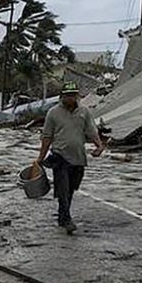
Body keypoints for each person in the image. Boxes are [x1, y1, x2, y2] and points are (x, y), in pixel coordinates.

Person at [35, 82, 105, 234]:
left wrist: (99, 146)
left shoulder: (84, 112)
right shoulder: (53, 113)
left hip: (78, 157)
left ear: (77, 96)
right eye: (67, 95)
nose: (71, 98)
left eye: (73, 95)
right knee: (63, 188)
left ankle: (62, 215)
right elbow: (47, 136)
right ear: (62, 97)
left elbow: (91, 131)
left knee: (71, 189)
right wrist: (40, 157)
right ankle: (67, 219)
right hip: (60, 156)